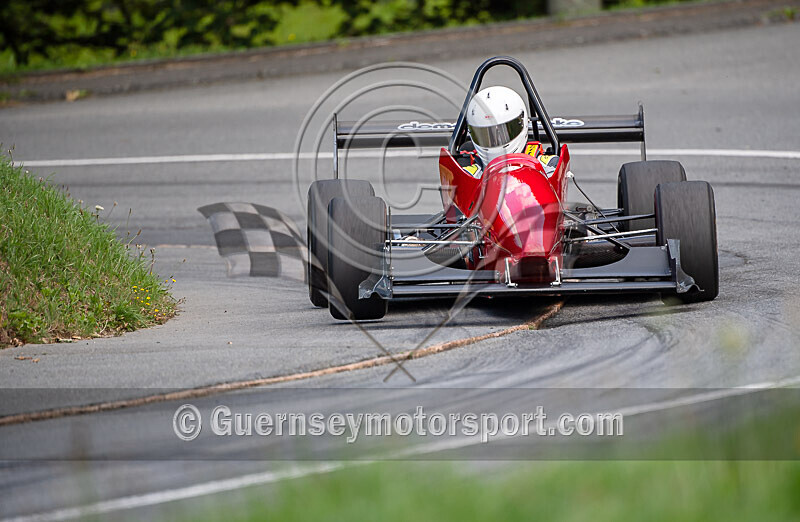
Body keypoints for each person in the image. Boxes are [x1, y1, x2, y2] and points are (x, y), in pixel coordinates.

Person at [462, 85, 558, 178]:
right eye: (485, 135)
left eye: (502, 132)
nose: (495, 140)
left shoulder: (548, 167)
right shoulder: (467, 175)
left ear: (521, 123)